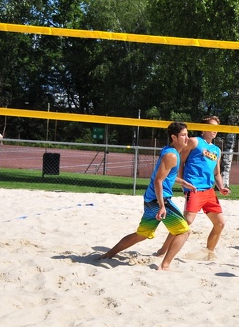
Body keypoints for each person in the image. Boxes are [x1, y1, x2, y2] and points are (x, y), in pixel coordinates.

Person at [99, 122, 191, 271]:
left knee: (141, 235)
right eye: (183, 135)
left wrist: (184, 182)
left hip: (150, 199)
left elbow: (165, 176)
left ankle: (109, 254)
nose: (187, 138)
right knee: (184, 231)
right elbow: (158, 181)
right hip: (159, 200)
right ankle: (165, 265)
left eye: (187, 134)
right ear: (174, 137)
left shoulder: (170, 152)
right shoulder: (172, 155)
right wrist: (161, 206)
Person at [156, 115, 231, 260]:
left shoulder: (216, 150)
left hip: (209, 191)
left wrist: (221, 187)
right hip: (194, 189)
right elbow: (180, 162)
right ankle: (163, 249)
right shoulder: (195, 141)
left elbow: (217, 173)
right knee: (186, 222)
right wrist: (184, 184)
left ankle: (208, 253)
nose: (215, 130)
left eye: (217, 128)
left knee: (220, 223)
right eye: (211, 127)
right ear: (204, 128)